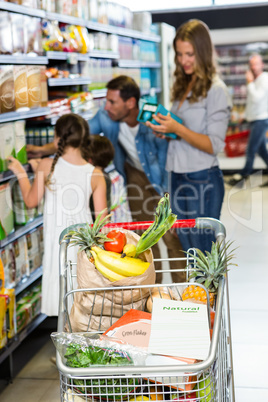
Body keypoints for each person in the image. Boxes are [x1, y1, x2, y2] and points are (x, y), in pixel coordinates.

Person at [27, 75, 186, 284]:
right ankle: (153, 294)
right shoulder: (106, 118)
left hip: (165, 180)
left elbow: (176, 149)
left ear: (130, 103)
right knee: (146, 241)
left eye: (112, 102)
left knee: (172, 239)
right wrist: (40, 150)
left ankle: (181, 292)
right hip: (135, 178)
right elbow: (72, 138)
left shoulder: (155, 118)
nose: (106, 107)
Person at [146, 19, 231, 253]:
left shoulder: (216, 90)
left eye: (190, 54)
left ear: (203, 52)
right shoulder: (183, 87)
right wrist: (166, 131)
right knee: (189, 254)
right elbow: (184, 133)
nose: (183, 60)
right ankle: (198, 292)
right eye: (179, 54)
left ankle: (211, 292)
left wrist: (177, 129)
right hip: (177, 178)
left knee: (203, 254)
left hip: (202, 178)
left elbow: (213, 144)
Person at [8, 113, 107, 316]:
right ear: (84, 138)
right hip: (84, 245)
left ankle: (65, 343)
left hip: (59, 243)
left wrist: (20, 172)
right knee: (84, 304)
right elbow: (102, 223)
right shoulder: (95, 174)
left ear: (57, 139)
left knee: (63, 302)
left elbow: (30, 201)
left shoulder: (48, 165)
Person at [228, 53, 268, 186]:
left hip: (261, 120)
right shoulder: (256, 81)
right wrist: (244, 117)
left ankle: (243, 176)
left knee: (251, 149)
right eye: (251, 65)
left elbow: (257, 98)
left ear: (262, 65)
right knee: (261, 150)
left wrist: (249, 82)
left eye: (256, 64)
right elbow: (251, 103)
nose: (254, 67)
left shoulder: (264, 79)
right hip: (254, 119)